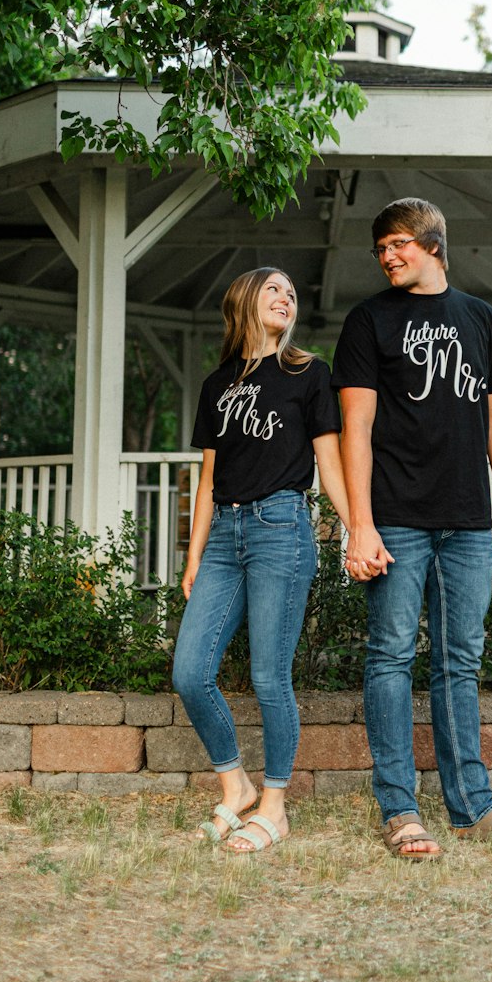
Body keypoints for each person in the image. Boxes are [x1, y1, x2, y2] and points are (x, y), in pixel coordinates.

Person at [332, 198, 492, 859]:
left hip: (466, 523)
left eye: (397, 243)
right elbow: (355, 430)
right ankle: (398, 809)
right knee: (391, 657)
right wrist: (360, 526)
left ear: (432, 243)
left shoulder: (480, 318)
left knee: (460, 662)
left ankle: (471, 808)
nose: (387, 256)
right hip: (396, 518)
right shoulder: (368, 321)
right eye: (380, 249)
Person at [174, 268, 349, 854]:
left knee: (270, 676)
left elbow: (330, 461)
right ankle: (237, 784)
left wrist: (357, 530)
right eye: (274, 288)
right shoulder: (217, 384)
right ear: (245, 301)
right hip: (223, 534)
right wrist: (194, 556)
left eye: (292, 292)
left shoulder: (308, 374)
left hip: (281, 528)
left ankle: (274, 807)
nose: (286, 297)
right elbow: (207, 480)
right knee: (190, 672)